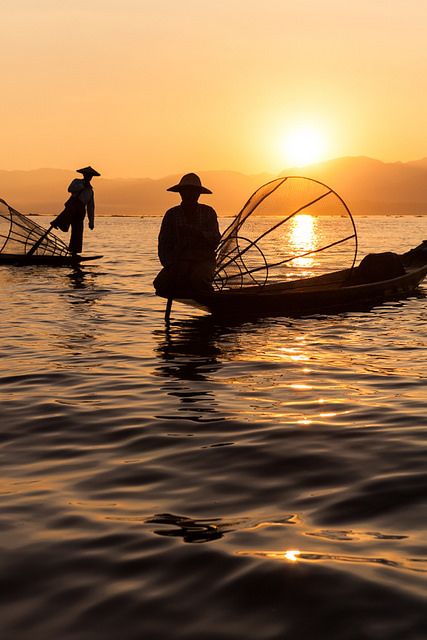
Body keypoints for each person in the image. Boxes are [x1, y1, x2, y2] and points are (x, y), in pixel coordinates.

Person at [153, 173, 221, 298]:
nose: (190, 194)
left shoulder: (208, 212)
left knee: (198, 279)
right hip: (178, 261)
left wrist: (198, 234)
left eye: (193, 191)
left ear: (199, 194)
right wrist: (170, 265)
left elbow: (216, 239)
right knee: (160, 284)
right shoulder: (171, 215)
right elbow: (163, 245)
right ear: (181, 193)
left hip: (204, 261)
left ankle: (212, 301)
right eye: (186, 191)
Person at [51, 166, 100, 255]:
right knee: (61, 222)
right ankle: (59, 223)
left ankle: (74, 252)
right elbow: (69, 189)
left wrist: (91, 222)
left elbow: (90, 207)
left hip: (80, 212)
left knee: (77, 232)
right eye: (87, 175)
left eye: (90, 176)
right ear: (84, 175)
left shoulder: (90, 191)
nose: (89, 177)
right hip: (72, 207)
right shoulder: (77, 182)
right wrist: (82, 186)